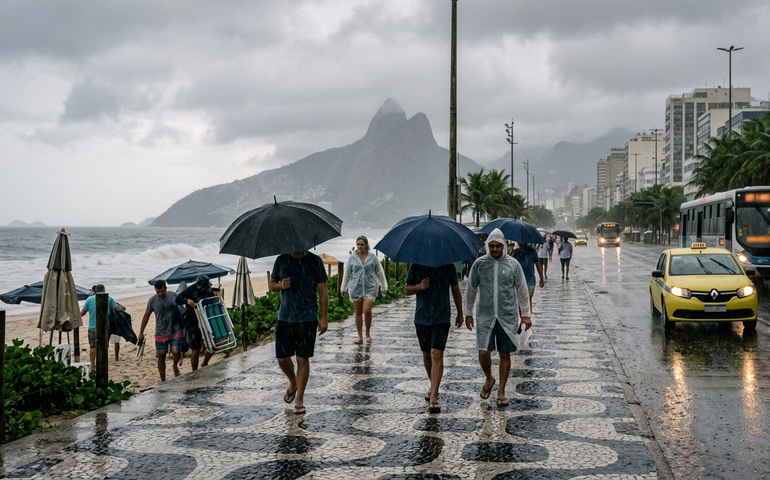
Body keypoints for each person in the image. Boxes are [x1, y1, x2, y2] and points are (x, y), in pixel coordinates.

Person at [463, 228, 531, 408]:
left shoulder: (513, 265)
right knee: (483, 351)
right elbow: (471, 289)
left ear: (505, 246)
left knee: (504, 353)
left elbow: (522, 290)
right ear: (487, 246)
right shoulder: (479, 264)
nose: (494, 249)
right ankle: (489, 378)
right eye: (491, 246)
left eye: (498, 246)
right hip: (485, 315)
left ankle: (501, 390)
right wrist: (468, 313)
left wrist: (526, 315)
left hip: (507, 316)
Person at [269, 250, 328, 415]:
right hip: (285, 317)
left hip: (308, 317)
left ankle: (299, 399)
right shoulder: (281, 259)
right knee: (282, 358)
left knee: (303, 358)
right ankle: (293, 382)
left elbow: (323, 292)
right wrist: (281, 285)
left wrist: (324, 317)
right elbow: (271, 284)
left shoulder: (315, 261)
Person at [405, 262, 464, 414]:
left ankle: (434, 397)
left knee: (436, 354)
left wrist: (460, 312)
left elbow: (455, 289)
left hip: (442, 317)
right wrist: (420, 287)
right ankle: (434, 387)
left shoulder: (448, 266)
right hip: (422, 317)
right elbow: (406, 289)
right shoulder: (416, 266)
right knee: (426, 355)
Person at [341, 236, 388, 344]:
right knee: (358, 313)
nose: (360, 246)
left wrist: (384, 287)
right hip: (355, 288)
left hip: (370, 287)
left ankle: (367, 333)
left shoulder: (373, 257)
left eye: (362, 244)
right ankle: (359, 336)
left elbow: (379, 273)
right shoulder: (352, 258)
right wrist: (343, 288)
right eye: (358, 244)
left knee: (367, 311)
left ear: (366, 245)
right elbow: (347, 274)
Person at [138, 280, 184, 381]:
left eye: (162, 291)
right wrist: (141, 332)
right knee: (161, 355)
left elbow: (183, 307)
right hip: (160, 331)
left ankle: (175, 365)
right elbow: (146, 316)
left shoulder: (174, 296)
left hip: (175, 329)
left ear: (166, 289)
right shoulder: (152, 300)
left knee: (176, 351)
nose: (160, 294)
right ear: (155, 290)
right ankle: (163, 380)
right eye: (158, 292)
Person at [176, 275, 221, 370]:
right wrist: (187, 300)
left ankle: (205, 363)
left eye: (203, 287)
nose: (201, 289)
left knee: (213, 344)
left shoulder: (209, 290)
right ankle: (195, 371)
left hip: (207, 319)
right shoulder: (191, 289)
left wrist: (216, 300)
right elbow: (178, 299)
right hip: (192, 321)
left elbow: (213, 303)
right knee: (195, 349)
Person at [80, 284, 125, 369]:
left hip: (92, 327)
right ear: (104, 290)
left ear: (95, 291)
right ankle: (102, 363)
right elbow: (119, 309)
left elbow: (82, 313)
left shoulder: (89, 300)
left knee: (92, 346)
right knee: (104, 346)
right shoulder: (109, 298)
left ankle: (93, 365)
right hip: (104, 327)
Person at [512, 242, 545, 312]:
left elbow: (538, 265)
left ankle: (528, 318)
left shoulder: (532, 252)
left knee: (528, 299)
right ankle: (522, 318)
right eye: (520, 244)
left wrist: (542, 279)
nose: (522, 246)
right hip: (519, 280)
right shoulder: (516, 252)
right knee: (520, 301)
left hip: (530, 280)